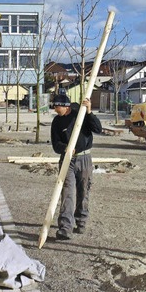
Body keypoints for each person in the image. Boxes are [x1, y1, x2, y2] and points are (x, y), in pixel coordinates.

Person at [50, 94, 102, 240]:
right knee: (67, 192)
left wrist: (90, 112)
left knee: (83, 190)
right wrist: (65, 148)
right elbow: (55, 144)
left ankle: (81, 221)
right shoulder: (57, 122)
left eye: (57, 106)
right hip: (68, 160)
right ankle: (65, 228)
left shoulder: (80, 115)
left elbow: (98, 129)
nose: (55, 109)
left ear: (65, 106)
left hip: (85, 158)